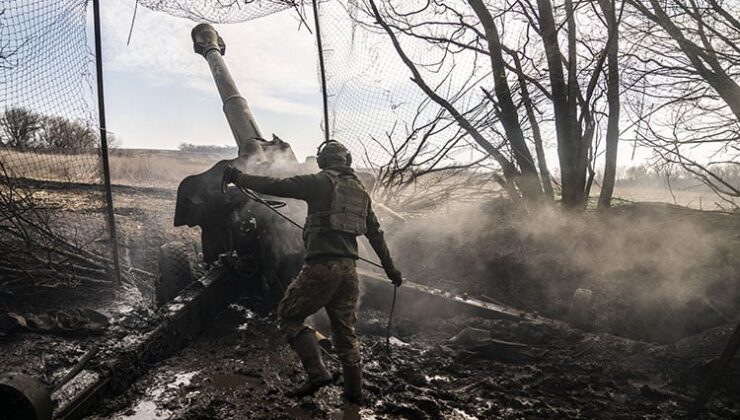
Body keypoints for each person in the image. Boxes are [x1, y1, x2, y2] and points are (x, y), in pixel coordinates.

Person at [222, 140, 403, 405]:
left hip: (322, 269)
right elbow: (375, 234)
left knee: (288, 316)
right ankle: (354, 396)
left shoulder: (320, 182)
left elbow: (276, 187)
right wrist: (391, 270)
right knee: (345, 334)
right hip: (349, 273)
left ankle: (317, 373)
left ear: (322, 161)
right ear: (347, 160)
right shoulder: (360, 192)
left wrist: (238, 176)